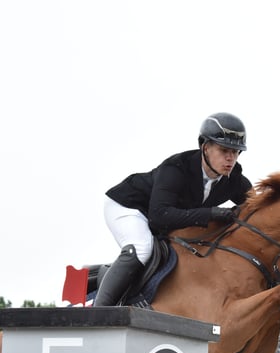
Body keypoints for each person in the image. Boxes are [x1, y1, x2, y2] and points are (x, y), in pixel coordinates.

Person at [94, 112, 253, 306]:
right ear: (205, 147)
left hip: (162, 217)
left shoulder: (235, 180)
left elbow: (258, 209)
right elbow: (159, 216)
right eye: (223, 150)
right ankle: (99, 311)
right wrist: (211, 214)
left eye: (235, 152)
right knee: (142, 248)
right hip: (128, 206)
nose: (230, 159)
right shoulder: (176, 168)